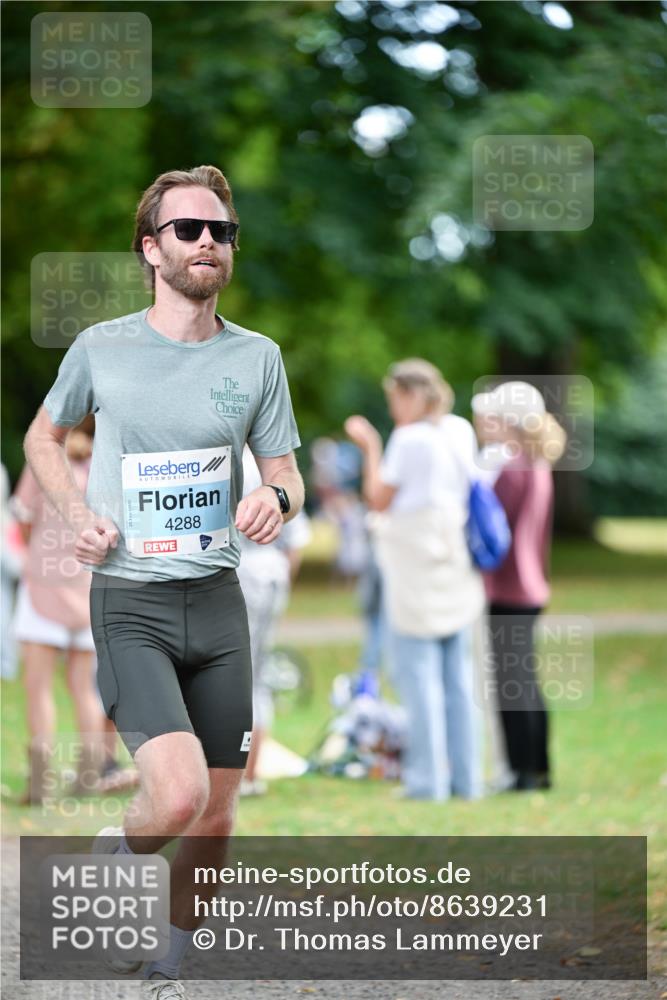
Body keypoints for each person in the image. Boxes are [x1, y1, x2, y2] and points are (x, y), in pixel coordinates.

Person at [23, 165, 304, 998]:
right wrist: (76, 516)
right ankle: (113, 854)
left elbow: (285, 470)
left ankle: (168, 964)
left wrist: (273, 496)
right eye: (189, 230)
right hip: (132, 600)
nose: (209, 243)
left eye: (221, 231)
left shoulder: (257, 357)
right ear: (152, 249)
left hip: (219, 604)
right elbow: (43, 440)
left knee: (219, 811)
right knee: (175, 798)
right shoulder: (102, 347)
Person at [345, 358, 485, 801]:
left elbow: (377, 498)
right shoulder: (459, 430)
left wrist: (370, 446)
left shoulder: (408, 440)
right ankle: (467, 779)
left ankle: (427, 781)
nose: (392, 409)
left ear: (408, 395)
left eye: (393, 398)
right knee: (457, 678)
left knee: (417, 676)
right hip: (454, 560)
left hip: (414, 564)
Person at [11, 419, 106, 804]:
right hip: (86, 587)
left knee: (39, 688)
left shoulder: (44, 462)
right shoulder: (103, 466)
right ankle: (88, 776)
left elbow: (23, 518)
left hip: (43, 588)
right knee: (84, 689)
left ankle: (40, 784)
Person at [479, 381, 566, 791]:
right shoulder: (537, 463)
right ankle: (539, 767)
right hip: (532, 587)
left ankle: (522, 772)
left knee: (512, 685)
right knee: (526, 680)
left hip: (509, 589)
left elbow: (492, 529)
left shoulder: (511, 470)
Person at [236, 446, 311, 797]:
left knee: (236, 678)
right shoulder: (277, 471)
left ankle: (237, 774)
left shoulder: (232, 464)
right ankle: (250, 774)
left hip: (241, 576)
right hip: (272, 574)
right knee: (257, 677)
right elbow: (295, 542)